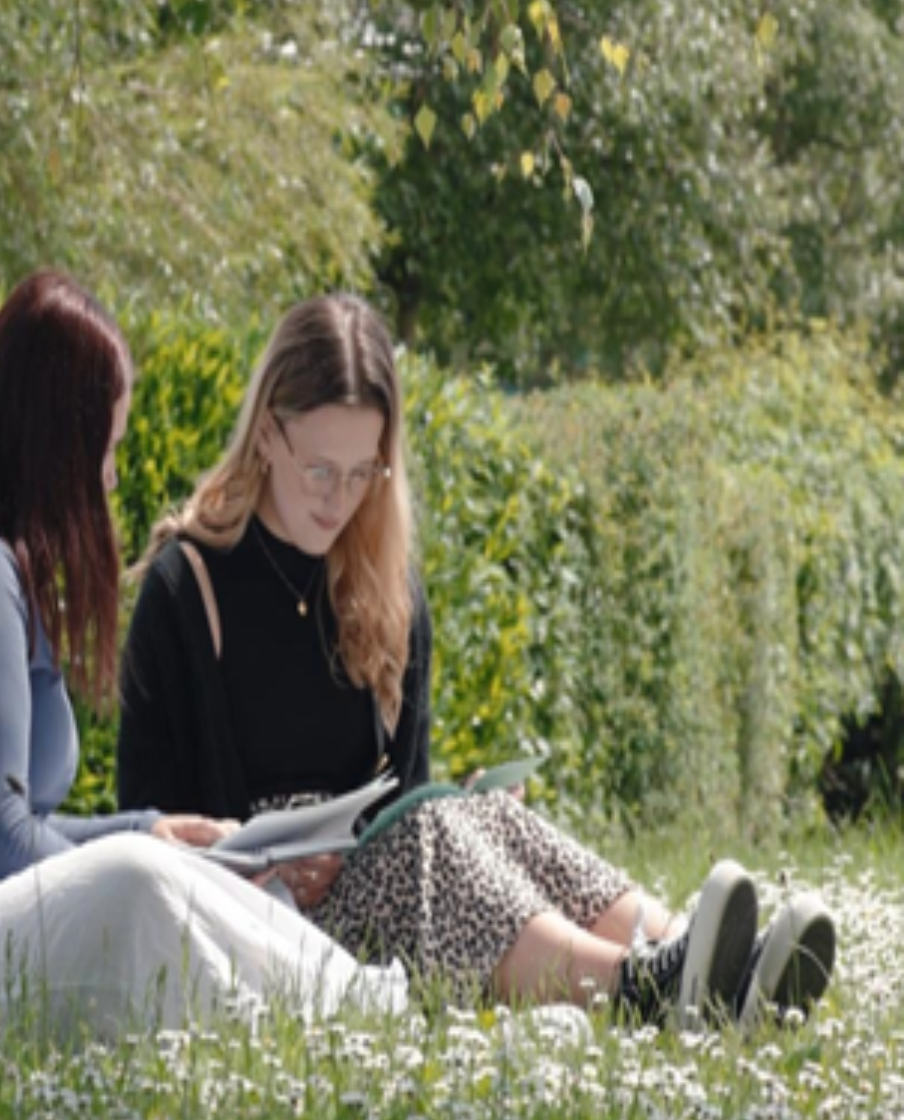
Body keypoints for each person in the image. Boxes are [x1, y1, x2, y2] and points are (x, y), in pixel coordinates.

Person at [118, 293, 836, 1029]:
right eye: (320, 471)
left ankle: (708, 958)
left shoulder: (384, 589)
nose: (340, 501)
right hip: (256, 921)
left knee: (477, 815)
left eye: (364, 472)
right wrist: (261, 863)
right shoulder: (185, 587)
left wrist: (444, 806)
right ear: (267, 436)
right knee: (423, 835)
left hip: (377, 897)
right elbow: (143, 843)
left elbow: (401, 791)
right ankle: (644, 988)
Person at [0, 272, 409, 1045]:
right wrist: (141, 849)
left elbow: (16, 827)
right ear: (58, 444)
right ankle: (347, 1018)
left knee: (172, 870)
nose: (112, 477)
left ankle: (351, 1012)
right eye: (107, 449)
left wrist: (153, 828)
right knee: (133, 884)